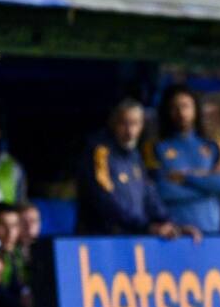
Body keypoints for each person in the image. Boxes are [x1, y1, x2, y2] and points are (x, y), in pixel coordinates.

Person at [77, 98, 201, 239]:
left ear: (142, 125)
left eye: (135, 123)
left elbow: (149, 195)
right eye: (124, 123)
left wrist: (172, 225)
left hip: (133, 238)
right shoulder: (100, 153)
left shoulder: (135, 156)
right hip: (102, 240)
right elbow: (106, 200)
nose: (130, 131)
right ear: (113, 123)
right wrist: (146, 227)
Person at [146, 86, 220, 234]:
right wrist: (209, 184)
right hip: (175, 232)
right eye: (174, 107)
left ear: (195, 109)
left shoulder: (215, 145)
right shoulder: (154, 147)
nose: (181, 113)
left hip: (211, 229)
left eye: (185, 106)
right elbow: (160, 191)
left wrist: (185, 177)